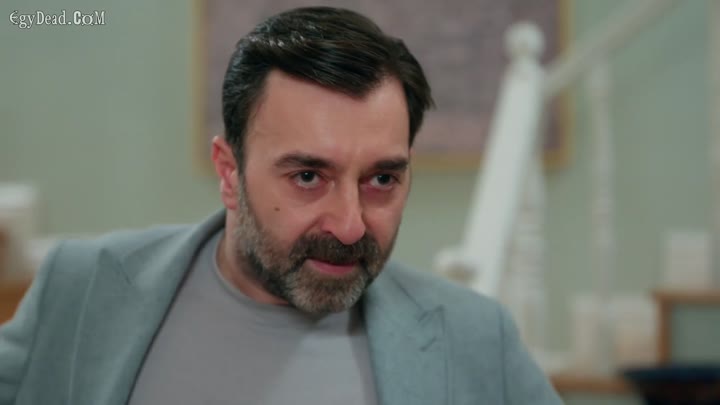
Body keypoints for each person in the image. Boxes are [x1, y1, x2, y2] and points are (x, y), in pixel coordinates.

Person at [0, 6, 561, 405]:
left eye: (382, 178)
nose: (350, 226)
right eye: (308, 176)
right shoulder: (83, 288)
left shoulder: (475, 338)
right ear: (229, 172)